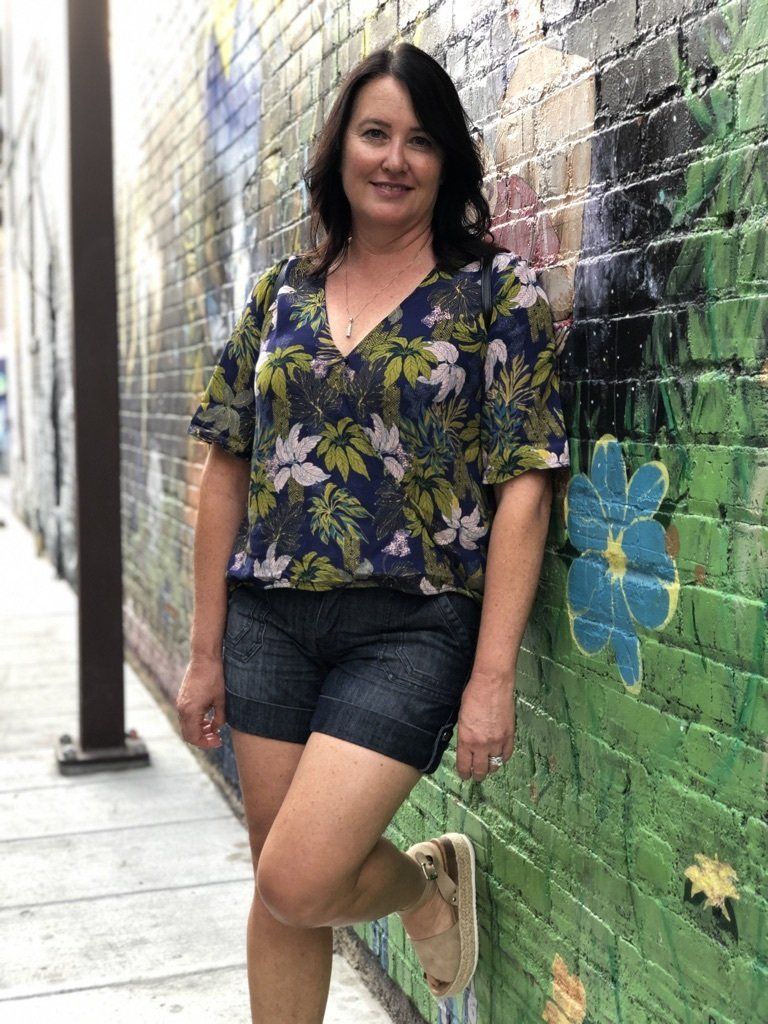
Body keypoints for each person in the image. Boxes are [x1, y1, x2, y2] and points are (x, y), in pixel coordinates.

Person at [176, 41, 569, 1022]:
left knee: (304, 878)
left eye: (421, 139)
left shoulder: (499, 297)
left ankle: (424, 891)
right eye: (375, 132)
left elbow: (525, 487)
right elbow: (224, 465)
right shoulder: (280, 297)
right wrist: (204, 648)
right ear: (341, 148)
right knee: (284, 891)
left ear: (449, 162)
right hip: (268, 616)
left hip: (411, 627)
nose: (395, 158)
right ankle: (422, 885)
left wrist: (490, 677)